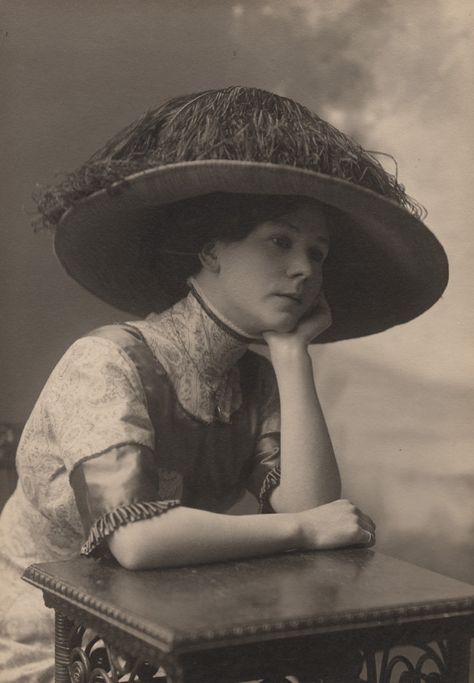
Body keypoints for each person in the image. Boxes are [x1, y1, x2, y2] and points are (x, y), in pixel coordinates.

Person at [0, 86, 448, 681]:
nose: (305, 270)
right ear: (211, 249)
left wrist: (292, 356)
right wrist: (300, 531)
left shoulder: (252, 378)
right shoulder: (106, 362)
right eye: (280, 241)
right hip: (57, 644)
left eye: (318, 253)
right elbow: (135, 539)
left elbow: (316, 509)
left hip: (165, 627)